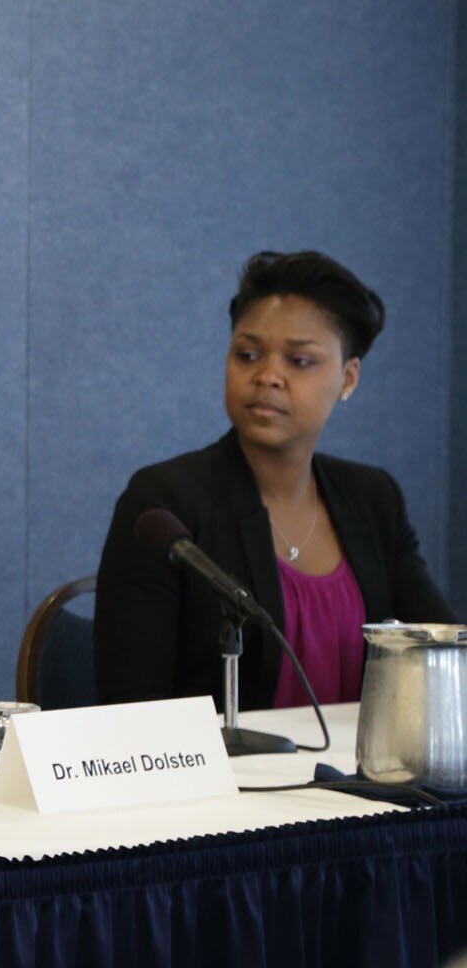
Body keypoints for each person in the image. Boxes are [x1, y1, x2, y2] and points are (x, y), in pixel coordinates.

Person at [94, 250, 458, 711]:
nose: (267, 376)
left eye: (300, 361)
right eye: (247, 354)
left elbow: (444, 656)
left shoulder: (373, 499)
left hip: (367, 780)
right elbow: (132, 702)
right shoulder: (165, 502)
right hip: (224, 781)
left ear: (348, 377)